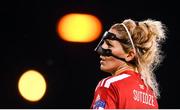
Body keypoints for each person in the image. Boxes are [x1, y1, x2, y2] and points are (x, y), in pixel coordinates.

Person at [91, 19, 167, 109]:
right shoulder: (150, 95)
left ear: (130, 55)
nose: (101, 49)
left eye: (109, 44)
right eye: (103, 43)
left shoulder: (109, 85)